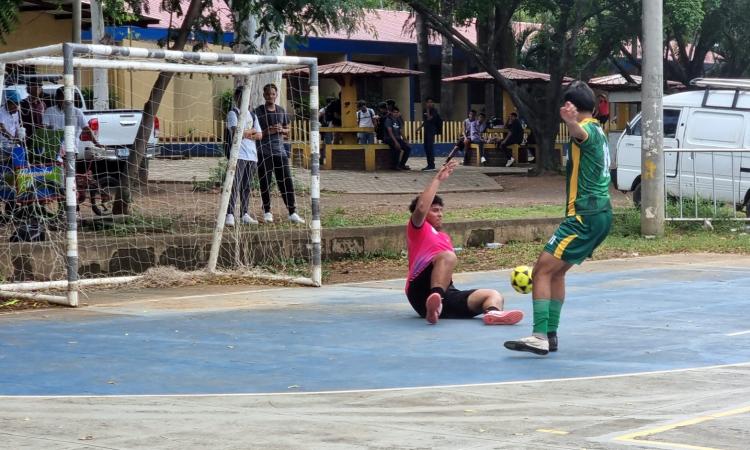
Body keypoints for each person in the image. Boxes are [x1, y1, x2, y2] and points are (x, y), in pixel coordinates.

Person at [504, 81, 612, 356]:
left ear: (574, 107)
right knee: (557, 272)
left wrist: (571, 121)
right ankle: (550, 334)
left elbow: (579, 134)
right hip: (600, 214)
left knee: (541, 270)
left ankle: (539, 335)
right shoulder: (599, 128)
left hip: (584, 215)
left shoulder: (586, 128)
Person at [406, 160, 524, 325]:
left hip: (447, 293)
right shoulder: (417, 229)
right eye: (434, 210)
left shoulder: (444, 237)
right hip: (419, 290)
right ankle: (436, 300)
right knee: (448, 256)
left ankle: (493, 314)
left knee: (493, 295)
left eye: (441, 210)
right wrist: (438, 179)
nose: (440, 214)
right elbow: (420, 208)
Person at [254, 83, 305, 224]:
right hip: (264, 152)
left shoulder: (281, 111)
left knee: (286, 181)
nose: (270, 96)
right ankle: (267, 211)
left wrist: (281, 130)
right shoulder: (258, 112)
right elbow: (254, 133)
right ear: (264, 95)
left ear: (276, 95)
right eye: (268, 94)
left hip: (280, 152)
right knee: (265, 182)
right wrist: (267, 131)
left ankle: (292, 212)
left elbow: (287, 131)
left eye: (273, 94)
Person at [224, 86, 263, 227]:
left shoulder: (253, 115)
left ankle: (244, 213)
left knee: (246, 186)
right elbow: (236, 133)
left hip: (252, 156)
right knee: (234, 185)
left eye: (246, 96)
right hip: (238, 155)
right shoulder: (233, 113)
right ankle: (229, 214)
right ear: (237, 98)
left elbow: (259, 135)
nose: (244, 99)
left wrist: (247, 132)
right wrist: (251, 131)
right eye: (241, 96)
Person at [416, 97, 441, 171]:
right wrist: (420, 128)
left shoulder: (434, 110)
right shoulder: (424, 110)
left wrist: (427, 110)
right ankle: (429, 165)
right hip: (426, 130)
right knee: (426, 147)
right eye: (428, 102)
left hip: (431, 130)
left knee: (430, 147)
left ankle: (432, 165)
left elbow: (430, 118)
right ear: (426, 103)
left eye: (431, 102)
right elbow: (425, 121)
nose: (430, 103)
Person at [383, 105, 411, 170]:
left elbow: (400, 131)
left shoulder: (398, 120)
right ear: (391, 113)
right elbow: (390, 132)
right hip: (389, 138)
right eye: (394, 112)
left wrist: (405, 139)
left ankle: (402, 164)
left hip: (397, 138)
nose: (396, 113)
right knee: (397, 148)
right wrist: (396, 142)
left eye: (397, 112)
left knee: (408, 148)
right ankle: (394, 165)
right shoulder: (388, 120)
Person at [19, 81, 45, 146]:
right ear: (28, 89)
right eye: (34, 86)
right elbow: (19, 120)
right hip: (27, 137)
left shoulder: (42, 104)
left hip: (40, 137)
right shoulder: (22, 103)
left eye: (39, 87)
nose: (36, 89)